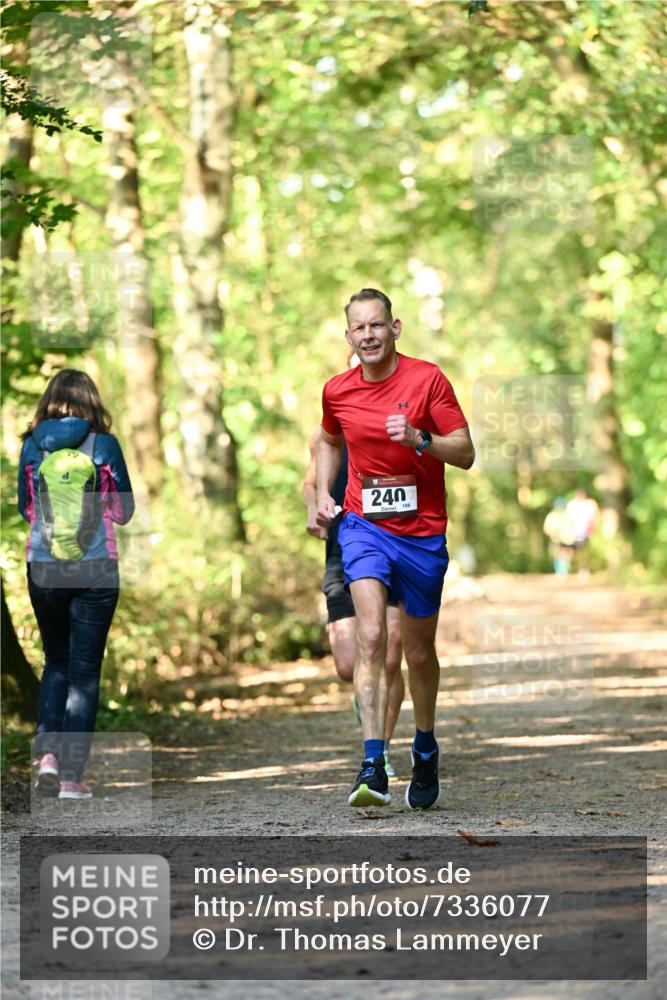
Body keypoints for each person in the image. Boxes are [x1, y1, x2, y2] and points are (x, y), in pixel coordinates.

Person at [316, 288, 474, 810]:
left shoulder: (427, 379)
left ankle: (425, 747)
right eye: (359, 328)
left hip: (423, 533)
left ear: (395, 328)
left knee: (418, 652)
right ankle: (372, 761)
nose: (369, 335)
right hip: (363, 526)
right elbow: (330, 440)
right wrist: (322, 496)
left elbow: (467, 453)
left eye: (377, 325)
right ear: (349, 337)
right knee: (370, 635)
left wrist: (420, 439)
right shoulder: (336, 391)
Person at [18, 369, 135, 800]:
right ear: (92, 401)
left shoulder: (32, 445)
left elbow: (25, 509)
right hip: (97, 566)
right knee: (85, 671)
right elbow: (124, 513)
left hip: (45, 566)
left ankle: (46, 757)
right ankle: (71, 779)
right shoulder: (104, 445)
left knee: (56, 661)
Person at [302, 427, 405, 780]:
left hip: (396, 547)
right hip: (342, 553)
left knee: (390, 655)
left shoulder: (395, 426)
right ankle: (365, 687)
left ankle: (382, 751)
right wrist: (313, 507)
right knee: (349, 665)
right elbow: (310, 482)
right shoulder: (328, 433)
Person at [542, 497, 576, 575]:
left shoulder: (567, 515)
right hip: (555, 539)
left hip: (566, 539)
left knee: (566, 554)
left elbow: (572, 526)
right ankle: (560, 570)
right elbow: (546, 528)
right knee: (557, 555)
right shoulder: (552, 516)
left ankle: (564, 570)